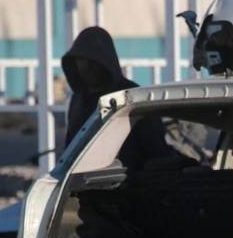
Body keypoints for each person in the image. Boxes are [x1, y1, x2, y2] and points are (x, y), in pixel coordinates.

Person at [61, 26, 171, 167]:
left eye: (93, 62)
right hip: (82, 183)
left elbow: (156, 151)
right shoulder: (79, 100)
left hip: (128, 181)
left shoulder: (133, 97)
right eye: (82, 61)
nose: (88, 68)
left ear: (105, 62)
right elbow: (71, 147)